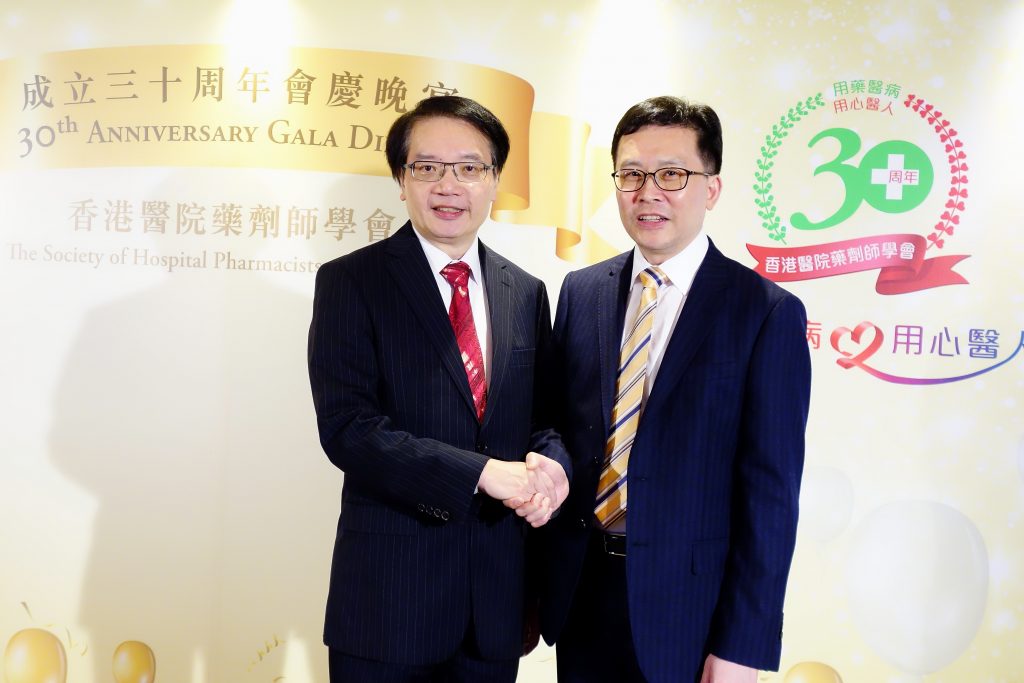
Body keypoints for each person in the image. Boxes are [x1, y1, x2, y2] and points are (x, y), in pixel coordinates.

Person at [538, 96, 812, 683]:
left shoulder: (764, 312)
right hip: (582, 592)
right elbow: (555, 420)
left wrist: (743, 644)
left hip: (691, 612)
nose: (648, 193)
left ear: (712, 189)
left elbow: (771, 495)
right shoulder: (581, 292)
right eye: (631, 175)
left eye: (672, 175)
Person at [307, 95, 570, 683]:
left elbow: (544, 418)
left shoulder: (525, 291)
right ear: (401, 180)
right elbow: (349, 429)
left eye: (470, 167)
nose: (449, 185)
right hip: (388, 602)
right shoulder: (351, 282)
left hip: (494, 604)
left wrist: (552, 467)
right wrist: (481, 473)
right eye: (427, 167)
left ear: (495, 180)